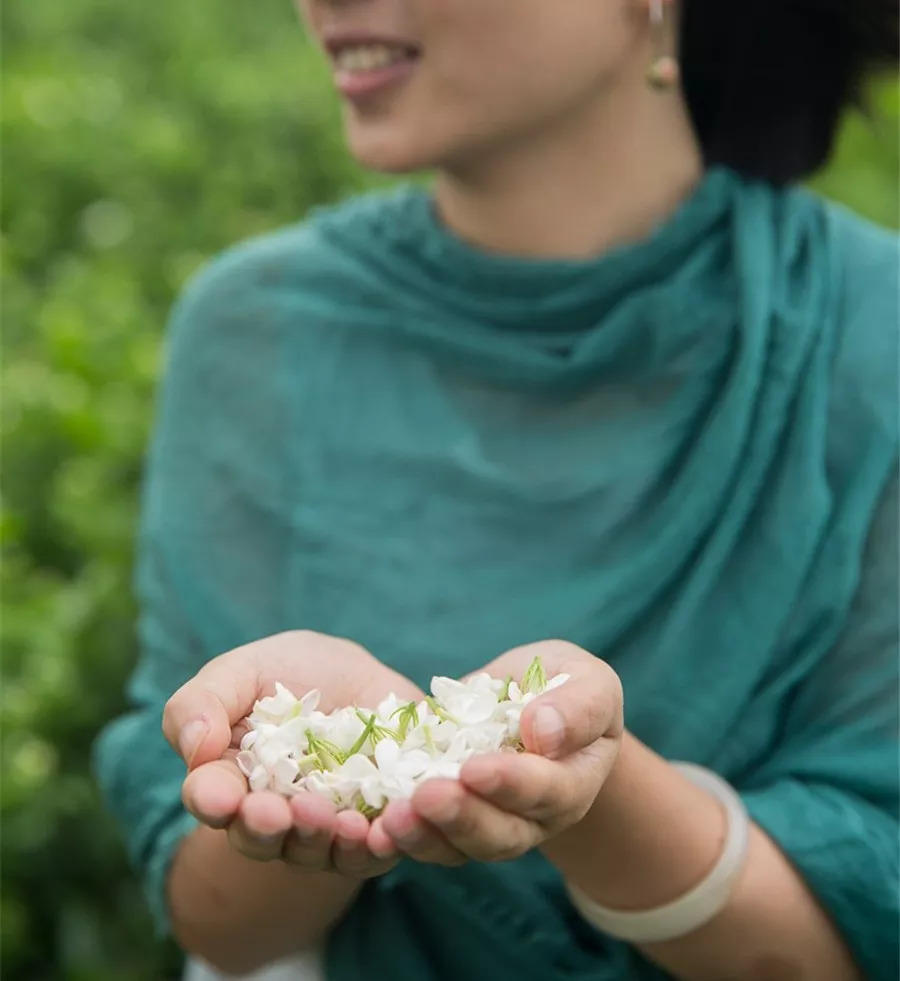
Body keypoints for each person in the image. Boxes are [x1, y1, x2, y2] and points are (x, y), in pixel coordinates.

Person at [93, 1, 900, 979]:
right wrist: (317, 773)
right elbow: (217, 921)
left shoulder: (869, 341)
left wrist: (600, 792)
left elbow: (850, 936)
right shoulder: (254, 332)